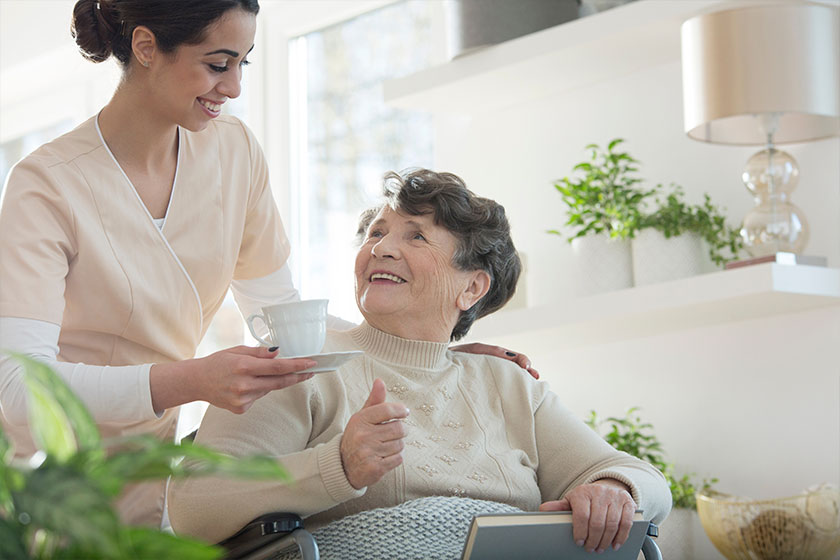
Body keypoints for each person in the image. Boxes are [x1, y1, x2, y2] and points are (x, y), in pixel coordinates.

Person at [0, 1, 535, 528]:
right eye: (217, 64)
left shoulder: (232, 152)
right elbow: (17, 387)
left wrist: (429, 351)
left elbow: (287, 321)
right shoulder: (47, 185)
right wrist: (190, 381)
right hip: (40, 482)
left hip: (148, 467)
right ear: (145, 47)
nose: (232, 87)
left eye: (243, 63)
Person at [168, 169, 672, 554]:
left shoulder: (509, 384)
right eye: (376, 234)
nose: (382, 248)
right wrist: (336, 466)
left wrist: (612, 489)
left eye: (415, 236)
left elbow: (643, 480)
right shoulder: (301, 363)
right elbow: (193, 507)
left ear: (472, 286)